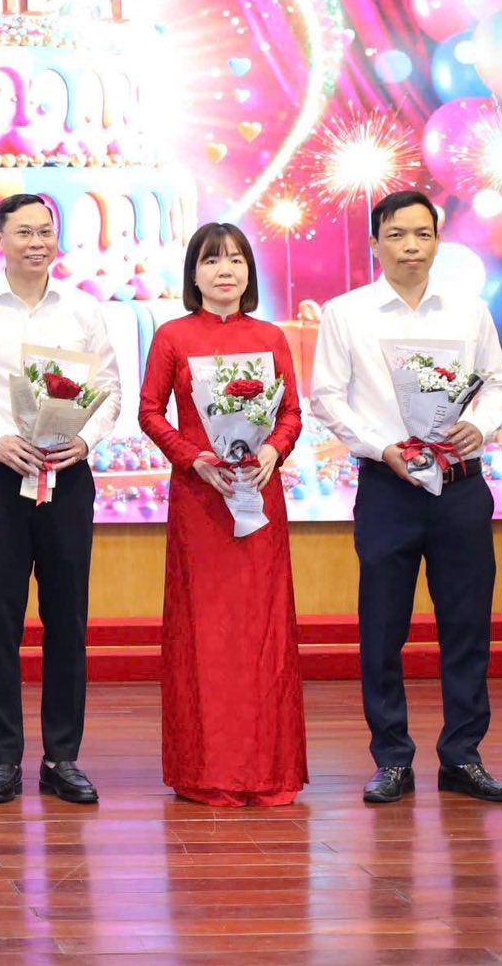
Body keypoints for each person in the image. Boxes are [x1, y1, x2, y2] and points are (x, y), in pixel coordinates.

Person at [312, 191, 502, 805]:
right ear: (375, 243)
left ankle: (463, 756)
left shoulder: (469, 312)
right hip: (388, 488)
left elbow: (497, 384)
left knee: (467, 626)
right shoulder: (346, 313)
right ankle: (392, 759)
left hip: (460, 487)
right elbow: (327, 396)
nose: (410, 247)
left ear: (438, 241)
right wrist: (382, 448)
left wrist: (478, 425)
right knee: (382, 629)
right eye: (397, 235)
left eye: (422, 235)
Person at [0, 193, 120, 805]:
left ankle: (63, 757)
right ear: (0, 239)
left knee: (68, 619)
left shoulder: (84, 310)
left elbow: (110, 390)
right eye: (24, 232)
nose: (37, 242)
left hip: (67, 475)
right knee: (0, 619)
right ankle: (3, 759)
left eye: (45, 231)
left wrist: (86, 441)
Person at [136, 223, 308, 806]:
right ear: (194, 273)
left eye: (236, 259)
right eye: (211, 261)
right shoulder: (173, 337)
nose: (225, 270)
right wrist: (193, 458)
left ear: (249, 272)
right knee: (204, 631)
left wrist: (273, 450)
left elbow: (291, 413)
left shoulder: (270, 336)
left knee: (262, 629)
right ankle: (206, 769)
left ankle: (268, 770)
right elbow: (150, 412)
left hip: (259, 495)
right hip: (200, 499)